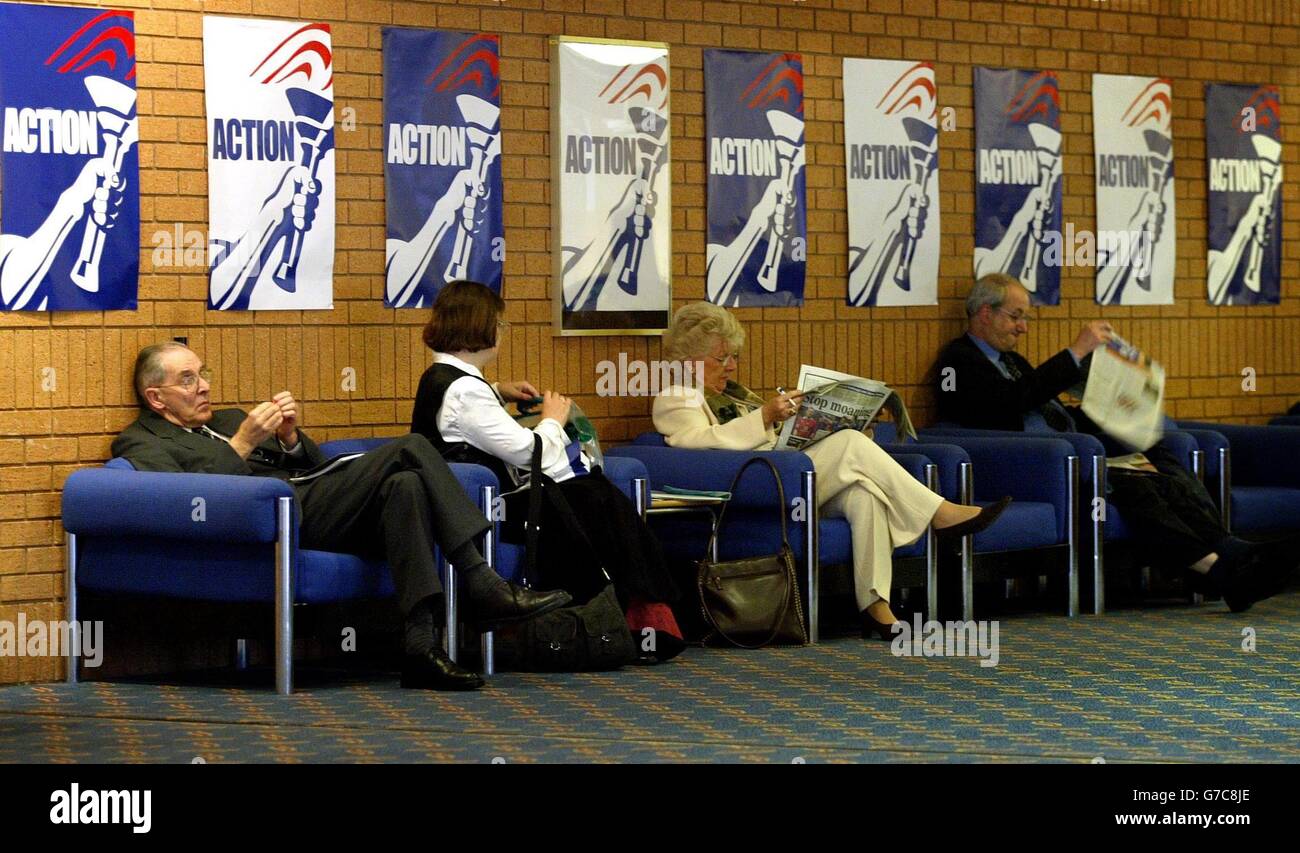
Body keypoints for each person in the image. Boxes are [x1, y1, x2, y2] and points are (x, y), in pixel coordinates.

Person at [111, 342, 569, 691]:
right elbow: (188, 500)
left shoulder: (229, 416)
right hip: (274, 520)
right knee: (412, 447)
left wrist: (290, 439)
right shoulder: (143, 443)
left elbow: (307, 463)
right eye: (188, 379)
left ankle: (419, 648)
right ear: (156, 398)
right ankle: (481, 581)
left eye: (203, 373)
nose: (205, 385)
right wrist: (242, 446)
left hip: (313, 500)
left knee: (404, 486)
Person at [931, 272, 1292, 611]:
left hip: (1075, 453)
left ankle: (1227, 550)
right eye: (1015, 317)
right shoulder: (958, 361)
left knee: (1157, 458)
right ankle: (1219, 571)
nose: (1023, 328)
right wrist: (1074, 354)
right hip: (1038, 468)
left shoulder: (1013, 361)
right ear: (984, 313)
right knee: (1138, 487)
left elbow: (1044, 403)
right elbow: (1011, 403)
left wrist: (1115, 408)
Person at [652, 302, 1009, 641]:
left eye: (735, 357)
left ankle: (876, 606)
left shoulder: (737, 395)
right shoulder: (676, 395)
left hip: (791, 478)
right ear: (690, 360)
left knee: (864, 495)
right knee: (851, 446)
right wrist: (764, 417)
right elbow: (694, 443)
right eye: (721, 358)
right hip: (752, 489)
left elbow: (774, 439)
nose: (731, 366)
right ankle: (939, 512)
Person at [411, 281, 684, 661]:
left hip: (485, 501)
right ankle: (645, 612)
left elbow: (470, 411)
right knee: (594, 496)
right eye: (500, 325)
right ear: (481, 327)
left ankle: (640, 612)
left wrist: (498, 390)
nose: (502, 333)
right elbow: (528, 450)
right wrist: (553, 419)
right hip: (486, 509)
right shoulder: (463, 392)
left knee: (595, 495)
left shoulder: (452, 381)